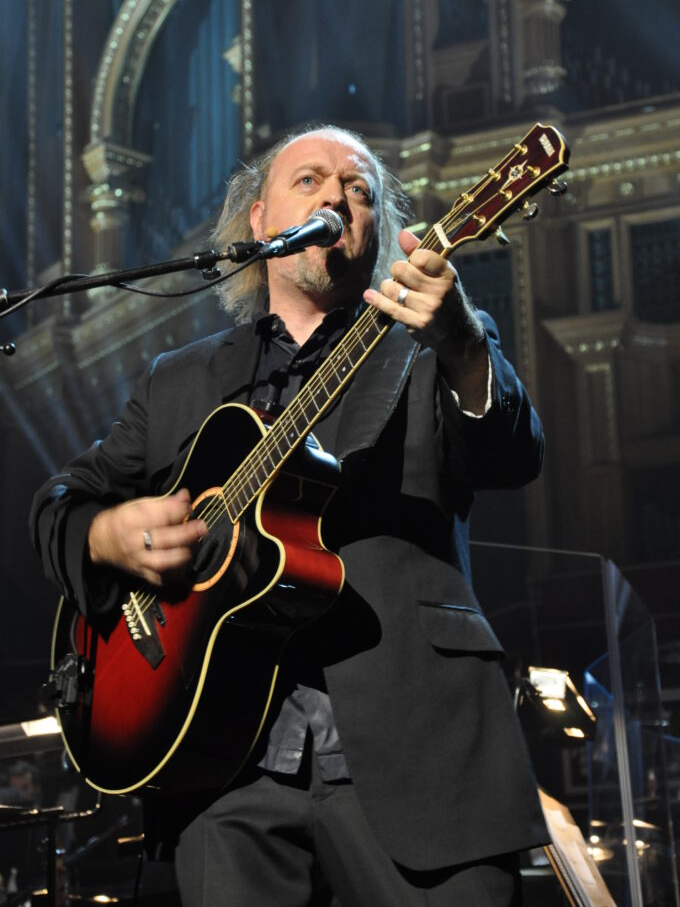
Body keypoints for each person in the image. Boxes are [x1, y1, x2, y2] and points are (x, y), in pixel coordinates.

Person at [31, 124, 548, 906]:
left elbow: (513, 453)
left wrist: (460, 336)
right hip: (220, 768)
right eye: (309, 180)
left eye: (361, 190)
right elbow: (59, 504)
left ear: (375, 233)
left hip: (419, 750)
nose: (337, 196)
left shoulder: (427, 346)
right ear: (260, 222)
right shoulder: (179, 380)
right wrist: (107, 535)